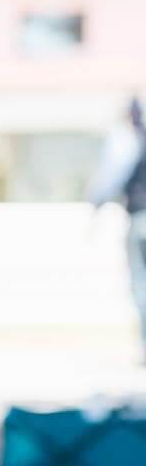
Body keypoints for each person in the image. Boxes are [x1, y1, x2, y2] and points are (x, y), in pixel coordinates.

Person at [88, 97, 146, 359]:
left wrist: (95, 210)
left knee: (141, 284)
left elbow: (108, 179)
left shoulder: (128, 140)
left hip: (139, 219)